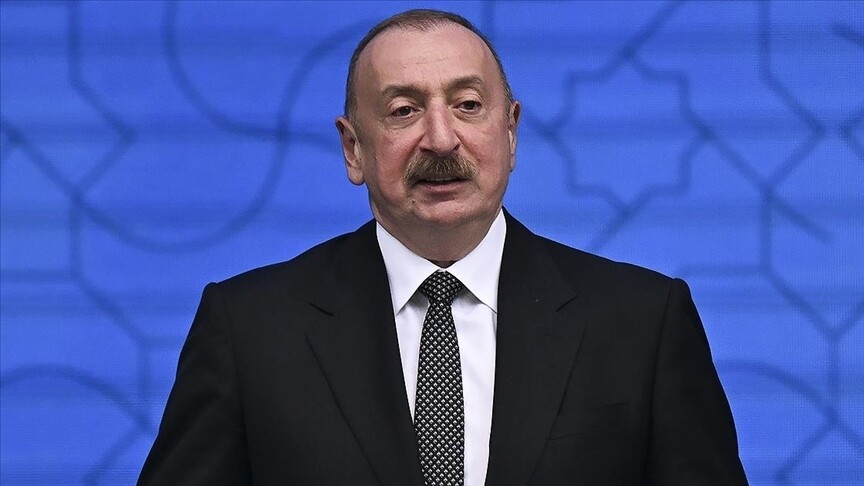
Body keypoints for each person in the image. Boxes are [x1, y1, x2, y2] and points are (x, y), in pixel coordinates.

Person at [139, 9, 748, 486]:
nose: (440, 138)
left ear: (510, 131)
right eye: (404, 110)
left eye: (467, 105)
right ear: (353, 148)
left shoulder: (643, 322)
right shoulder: (249, 329)